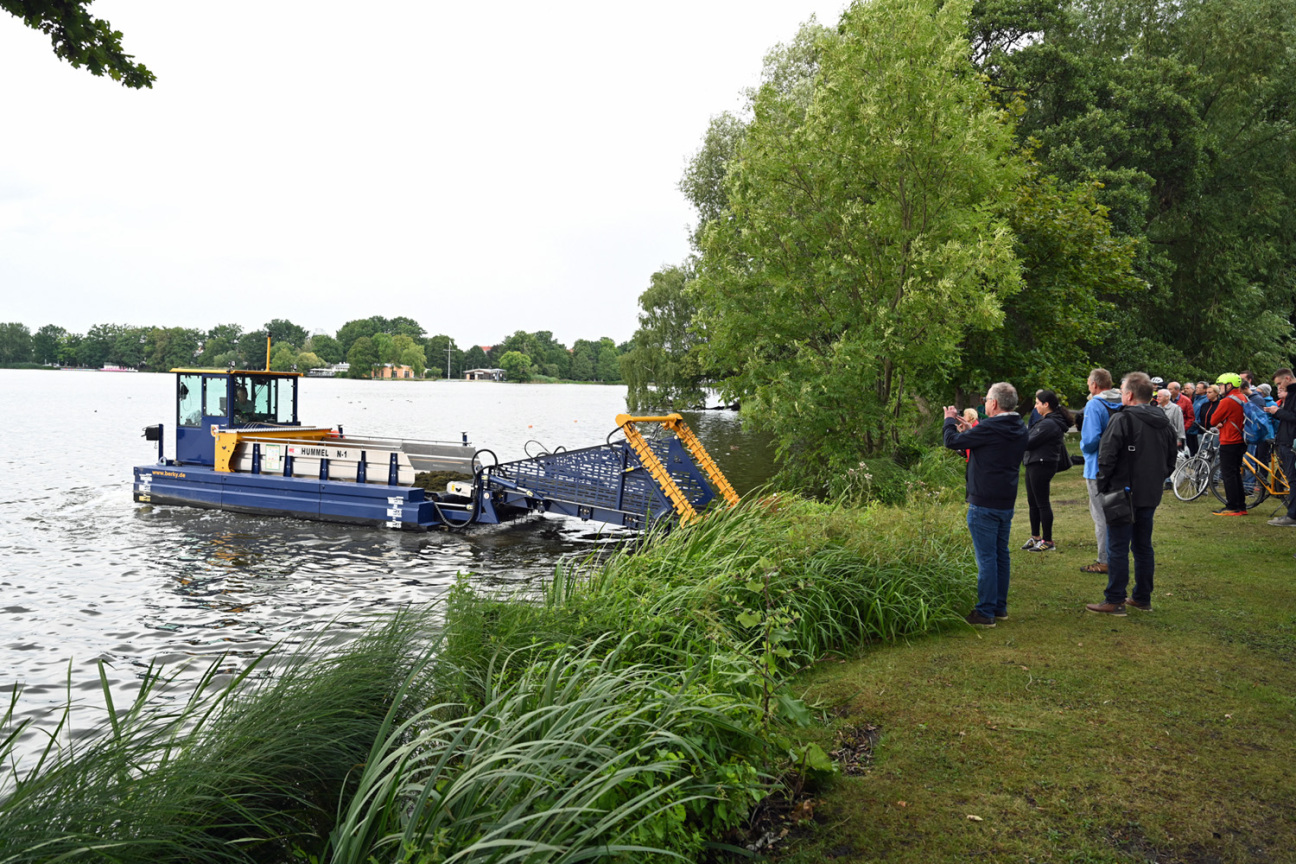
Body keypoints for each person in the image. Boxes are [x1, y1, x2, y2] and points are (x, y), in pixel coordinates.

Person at [1086, 372, 1178, 615]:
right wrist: (1157, 478)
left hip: (1122, 492)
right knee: (1142, 545)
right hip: (1148, 492)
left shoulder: (1123, 419)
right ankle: (1142, 597)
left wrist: (1104, 484)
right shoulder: (1163, 420)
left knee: (1118, 546)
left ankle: (1115, 598)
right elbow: (1172, 459)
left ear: (1129, 395)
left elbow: (1106, 456)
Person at [943, 382, 1029, 628]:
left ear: (994, 403)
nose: (985, 403)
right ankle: (999, 607)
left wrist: (949, 420)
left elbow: (951, 441)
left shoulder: (990, 427)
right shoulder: (1019, 427)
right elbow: (992, 447)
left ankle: (985, 611)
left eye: (986, 399)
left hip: (984, 501)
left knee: (987, 558)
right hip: (1005, 499)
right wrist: (972, 431)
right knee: (1001, 554)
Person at [1079, 369, 1124, 574]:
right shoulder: (1124, 401)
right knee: (1119, 512)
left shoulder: (1094, 404)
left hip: (1097, 467)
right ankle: (1118, 555)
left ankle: (1104, 560)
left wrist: (1083, 448)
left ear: (1095, 385)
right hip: (1120, 465)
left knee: (1101, 515)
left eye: (1089, 383)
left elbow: (1090, 440)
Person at [1021, 390, 1072, 552]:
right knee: (1033, 502)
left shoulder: (1049, 424)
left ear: (1046, 404)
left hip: (1042, 464)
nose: (1035, 406)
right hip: (1033, 462)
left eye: (1037, 403)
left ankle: (1048, 540)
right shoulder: (1045, 421)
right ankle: (1035, 536)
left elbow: (1029, 442)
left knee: (1042, 503)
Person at [1211, 372, 1248, 516]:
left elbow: (1213, 420)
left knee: (1228, 475)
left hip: (1229, 440)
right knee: (1236, 473)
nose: (1220, 387)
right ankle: (1241, 505)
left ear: (1229, 385)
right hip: (1241, 439)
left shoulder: (1227, 401)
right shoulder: (1243, 397)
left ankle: (1232, 506)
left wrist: (1221, 422)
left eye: (1221, 385)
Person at [1266, 368, 1296, 527]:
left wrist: (1278, 412)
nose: (1279, 387)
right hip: (1286, 440)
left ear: (1287, 378)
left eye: (1279, 383)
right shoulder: (1291, 394)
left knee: (1293, 479)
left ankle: (1292, 515)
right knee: (1291, 479)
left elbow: (1293, 417)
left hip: (1291, 443)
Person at [1170, 381, 1199, 455]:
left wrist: (1183, 429)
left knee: (1179, 453)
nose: (1168, 391)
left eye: (1170, 389)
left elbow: (1191, 418)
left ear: (1177, 390)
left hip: (1180, 432)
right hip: (1168, 431)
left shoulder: (1186, 400)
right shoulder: (1167, 399)